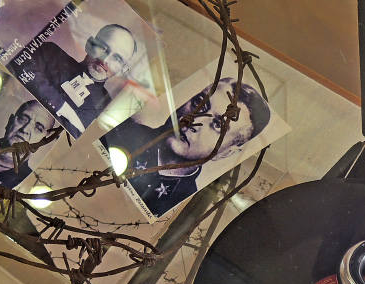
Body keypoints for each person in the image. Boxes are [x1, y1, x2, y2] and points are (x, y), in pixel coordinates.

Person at [102, 76, 270, 216]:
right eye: (199, 103)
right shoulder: (118, 132)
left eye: (218, 125)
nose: (195, 120)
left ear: (227, 152)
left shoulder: (184, 205)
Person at [20, 23, 136, 137]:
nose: (105, 60)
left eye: (117, 59)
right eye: (103, 47)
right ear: (89, 44)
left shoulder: (107, 110)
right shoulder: (50, 53)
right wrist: (65, 110)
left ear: (122, 70)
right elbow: (23, 69)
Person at [0, 99, 55, 188]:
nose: (25, 130)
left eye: (39, 128)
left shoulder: (25, 183)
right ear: (10, 121)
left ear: (42, 141)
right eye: (23, 119)